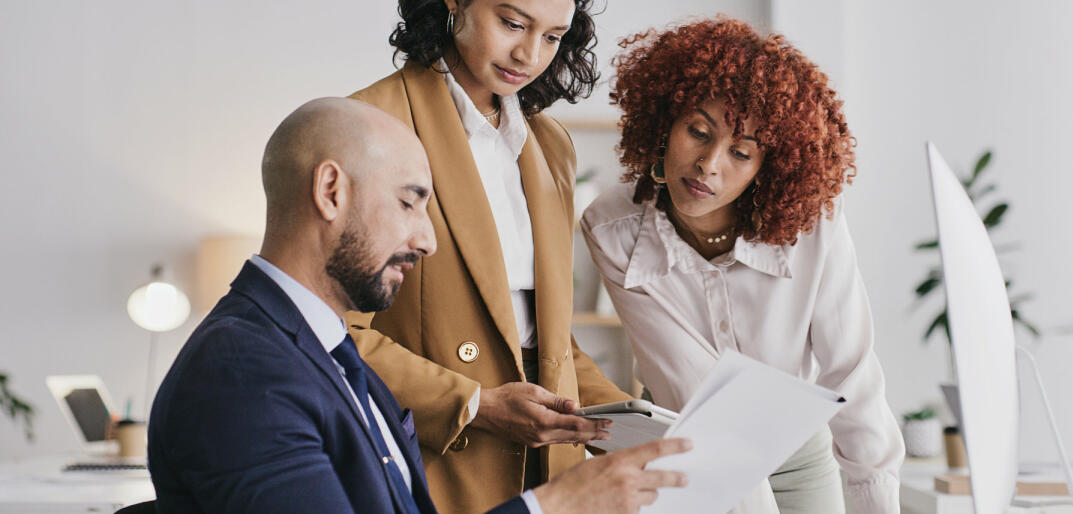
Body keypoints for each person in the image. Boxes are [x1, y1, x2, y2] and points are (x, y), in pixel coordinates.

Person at [147, 97, 689, 513]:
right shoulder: (244, 372)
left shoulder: (325, 351)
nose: (428, 242)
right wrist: (555, 505)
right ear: (331, 190)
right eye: (409, 202)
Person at [580, 19, 905, 514]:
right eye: (698, 132)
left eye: (740, 152)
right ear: (665, 121)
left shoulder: (812, 226)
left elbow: (852, 374)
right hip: (686, 448)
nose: (709, 164)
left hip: (799, 456)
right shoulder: (612, 228)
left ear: (766, 168)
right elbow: (690, 386)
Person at [345, 1, 631, 511]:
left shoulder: (550, 143)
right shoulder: (372, 124)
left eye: (553, 37)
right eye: (513, 24)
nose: (529, 54)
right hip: (434, 459)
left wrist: (631, 422)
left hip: (549, 470)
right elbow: (331, 331)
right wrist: (472, 403)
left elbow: (545, 337)